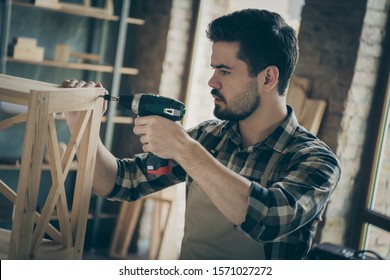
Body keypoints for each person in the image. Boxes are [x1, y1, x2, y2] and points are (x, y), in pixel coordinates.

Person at [62, 9, 341, 260]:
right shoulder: (209, 137)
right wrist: (81, 128)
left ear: (268, 78)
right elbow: (118, 183)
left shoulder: (315, 161)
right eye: (213, 69)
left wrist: (184, 148)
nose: (212, 81)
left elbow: (266, 218)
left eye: (225, 71)